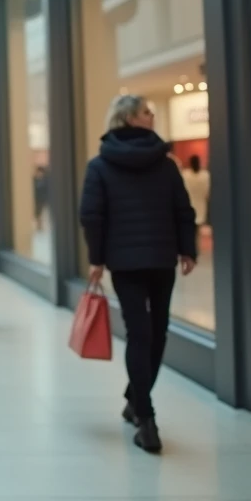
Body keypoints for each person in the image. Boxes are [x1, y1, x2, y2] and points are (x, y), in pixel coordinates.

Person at [79, 94, 196, 455]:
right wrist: (186, 247)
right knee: (154, 332)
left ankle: (137, 402)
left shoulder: (100, 165)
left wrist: (97, 257)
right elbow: (183, 210)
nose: (152, 115)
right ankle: (146, 417)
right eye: (147, 111)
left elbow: (92, 215)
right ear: (129, 118)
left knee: (142, 333)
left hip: (127, 261)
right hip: (158, 258)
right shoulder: (166, 164)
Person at [180, 154, 211, 233]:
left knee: (189, 232)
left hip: (188, 206)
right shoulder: (205, 175)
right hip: (201, 207)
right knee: (198, 232)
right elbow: (207, 193)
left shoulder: (185, 175)